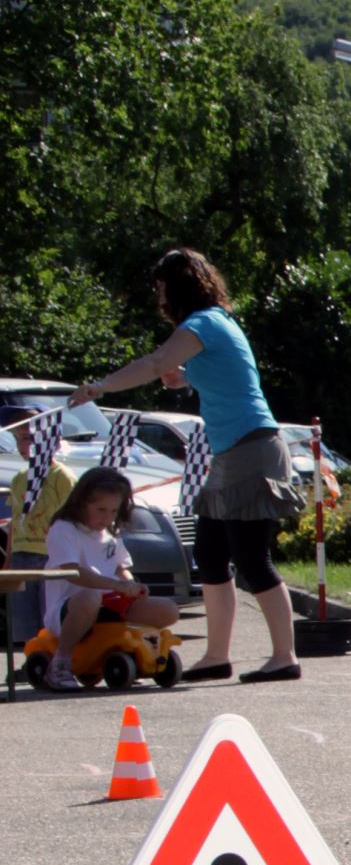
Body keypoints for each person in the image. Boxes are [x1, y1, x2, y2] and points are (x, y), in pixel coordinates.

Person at [81, 248, 306, 683]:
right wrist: (186, 377)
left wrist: (100, 387)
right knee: (211, 553)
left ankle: (285, 657)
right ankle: (217, 657)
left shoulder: (201, 323)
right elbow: (221, 373)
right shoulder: (214, 324)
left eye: (162, 286)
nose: (159, 296)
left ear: (177, 286)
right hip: (234, 452)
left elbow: (153, 362)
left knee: (252, 558)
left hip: (251, 449)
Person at [40, 467, 180, 691]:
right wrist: (116, 585)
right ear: (81, 502)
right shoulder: (64, 528)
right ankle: (61, 662)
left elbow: (121, 567)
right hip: (71, 608)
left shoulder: (110, 533)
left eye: (114, 511)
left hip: (109, 603)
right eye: (101, 510)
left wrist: (131, 585)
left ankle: (135, 653)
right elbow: (72, 572)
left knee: (168, 609)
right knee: (90, 597)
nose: (107, 517)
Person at [0, 409, 77, 640]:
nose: (22, 445)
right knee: (23, 618)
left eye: (28, 438)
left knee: (50, 616)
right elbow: (16, 520)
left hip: (50, 556)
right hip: (22, 556)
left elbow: (72, 517)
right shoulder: (19, 479)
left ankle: (53, 659)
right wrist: (8, 559)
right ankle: (30, 660)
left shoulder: (61, 476)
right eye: (17, 439)